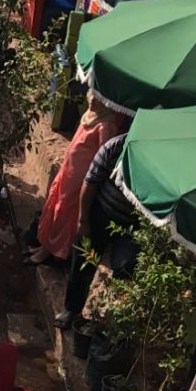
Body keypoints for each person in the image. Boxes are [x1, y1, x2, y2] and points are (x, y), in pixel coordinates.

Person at [54, 130, 138, 329]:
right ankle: (72, 309)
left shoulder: (158, 160)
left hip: (132, 225)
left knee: (125, 269)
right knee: (83, 260)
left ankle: (109, 322)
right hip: (101, 212)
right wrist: (83, 221)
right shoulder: (115, 147)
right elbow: (90, 183)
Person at [29, 93, 124, 266]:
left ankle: (51, 251)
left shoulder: (106, 126)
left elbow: (103, 159)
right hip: (68, 172)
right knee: (54, 203)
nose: (93, 99)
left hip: (80, 180)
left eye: (100, 97)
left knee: (63, 213)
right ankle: (45, 245)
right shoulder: (90, 115)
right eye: (93, 93)